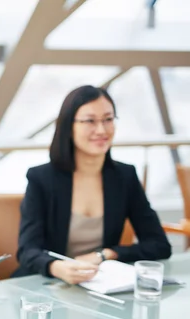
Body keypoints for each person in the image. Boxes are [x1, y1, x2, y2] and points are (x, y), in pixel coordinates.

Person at [14, 85, 171, 283]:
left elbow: (159, 244)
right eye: (90, 121)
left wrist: (107, 254)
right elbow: (27, 251)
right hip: (46, 285)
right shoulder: (41, 178)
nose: (101, 130)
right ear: (69, 126)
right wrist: (56, 267)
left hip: (99, 286)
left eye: (108, 119)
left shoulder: (125, 176)